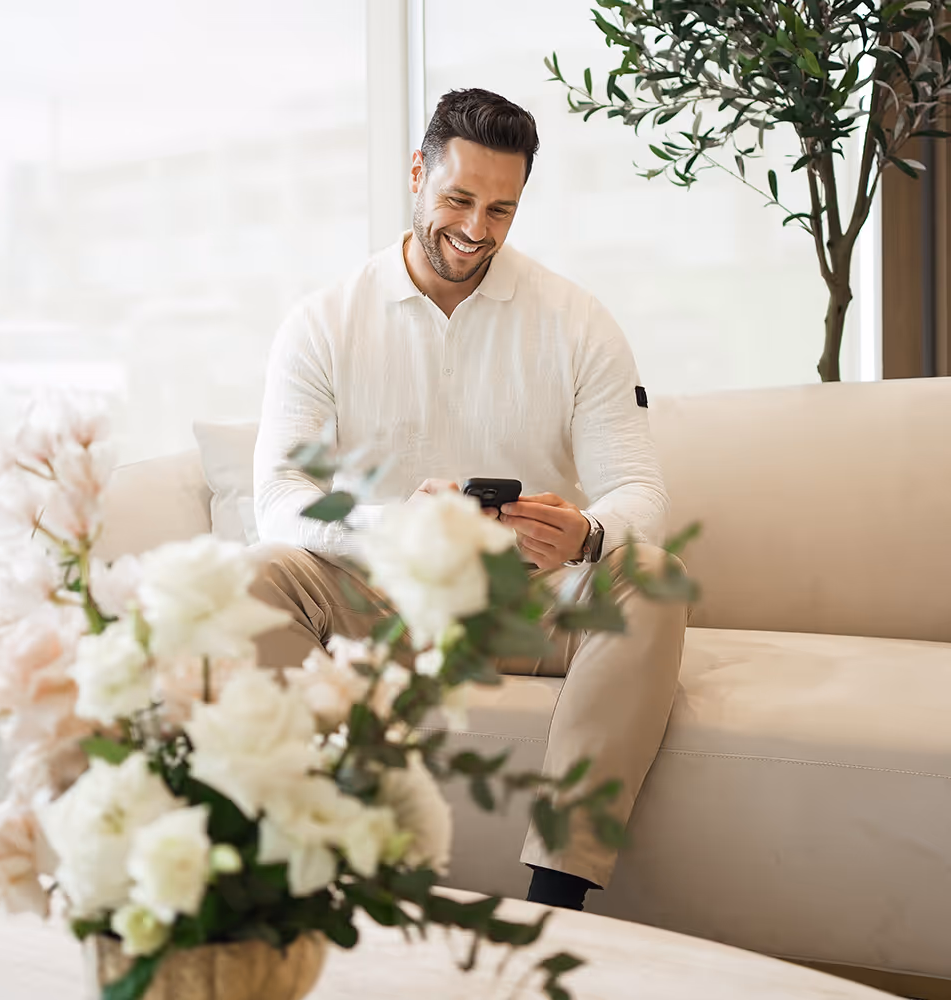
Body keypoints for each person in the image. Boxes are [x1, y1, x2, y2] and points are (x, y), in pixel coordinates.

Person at [250, 88, 688, 911]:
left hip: (524, 601)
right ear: (417, 174)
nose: (476, 229)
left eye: (501, 209)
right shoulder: (322, 323)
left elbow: (641, 491)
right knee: (262, 574)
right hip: (380, 597)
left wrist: (587, 534)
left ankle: (559, 895)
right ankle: (287, 867)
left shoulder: (577, 321)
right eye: (457, 199)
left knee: (651, 574)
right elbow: (277, 496)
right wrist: (387, 526)